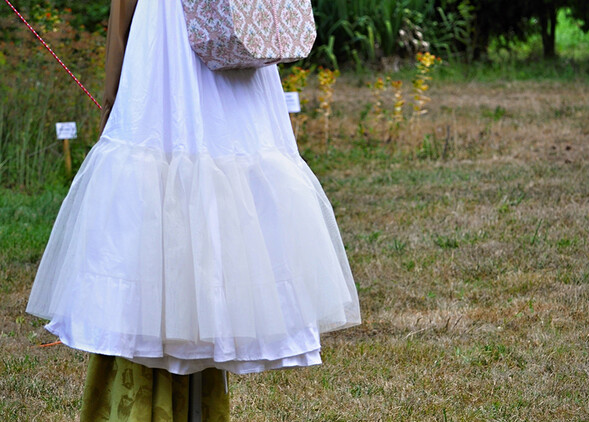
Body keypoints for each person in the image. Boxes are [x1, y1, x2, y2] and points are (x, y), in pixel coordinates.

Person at [26, 0, 361, 420]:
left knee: (168, 173)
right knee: (209, 172)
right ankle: (201, 344)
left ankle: (169, 345)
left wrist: (112, 95)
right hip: (227, 35)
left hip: (173, 42)